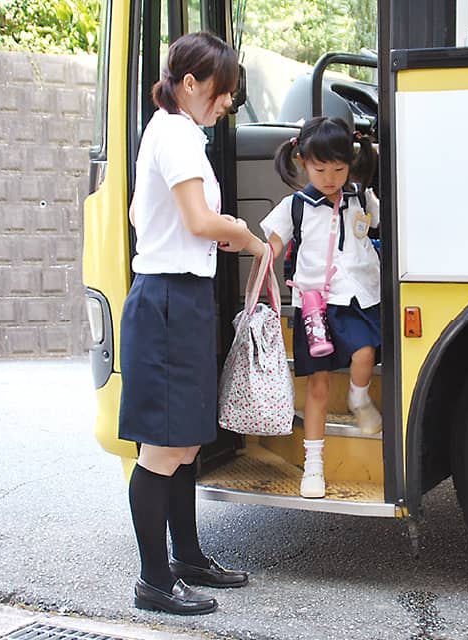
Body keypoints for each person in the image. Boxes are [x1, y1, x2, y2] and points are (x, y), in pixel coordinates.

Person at [119, 31, 266, 616]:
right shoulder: (175, 135)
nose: (227, 103)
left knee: (182, 445)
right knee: (162, 448)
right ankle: (154, 580)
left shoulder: (182, 135)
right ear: (189, 84)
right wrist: (249, 238)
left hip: (181, 298)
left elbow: (187, 223)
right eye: (222, 92)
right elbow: (200, 222)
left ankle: (187, 557)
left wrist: (230, 233)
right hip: (167, 301)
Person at [260, 116, 381, 499]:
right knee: (317, 386)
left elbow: (376, 225)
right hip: (315, 306)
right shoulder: (294, 206)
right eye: (320, 168)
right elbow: (273, 246)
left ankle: (359, 398)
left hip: (358, 296)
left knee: (365, 352)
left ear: (351, 164)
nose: (330, 177)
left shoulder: (361, 198)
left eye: (339, 168)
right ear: (302, 162)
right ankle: (313, 467)